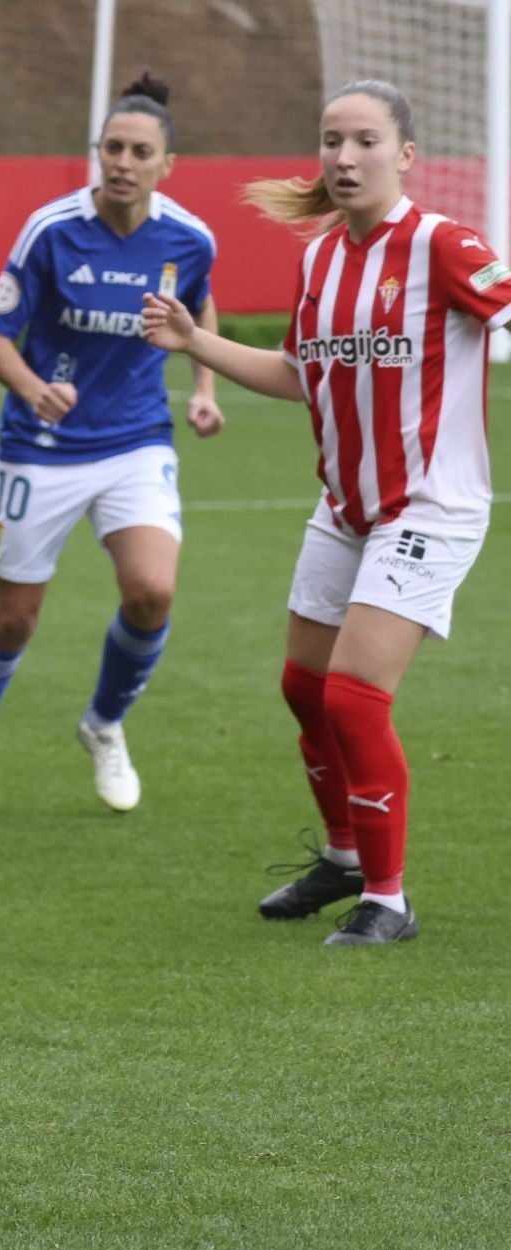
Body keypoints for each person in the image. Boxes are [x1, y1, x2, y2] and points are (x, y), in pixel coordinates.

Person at [143, 80, 511, 945]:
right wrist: (195, 343)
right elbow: (297, 375)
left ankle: (388, 898)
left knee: (353, 697)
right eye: (331, 141)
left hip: (429, 505)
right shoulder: (321, 258)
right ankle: (345, 856)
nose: (344, 158)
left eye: (366, 142)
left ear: (407, 155)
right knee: (303, 687)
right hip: (345, 508)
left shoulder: (444, 245)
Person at [0, 72, 224, 818]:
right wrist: (32, 388)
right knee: (14, 618)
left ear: (166, 164)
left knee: (152, 590)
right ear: (98, 152)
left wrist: (205, 387)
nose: (122, 161)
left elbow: (198, 302)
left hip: (136, 440)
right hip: (41, 445)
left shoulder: (188, 237)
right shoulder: (51, 230)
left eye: (139, 151)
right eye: (111, 147)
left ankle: (105, 723)